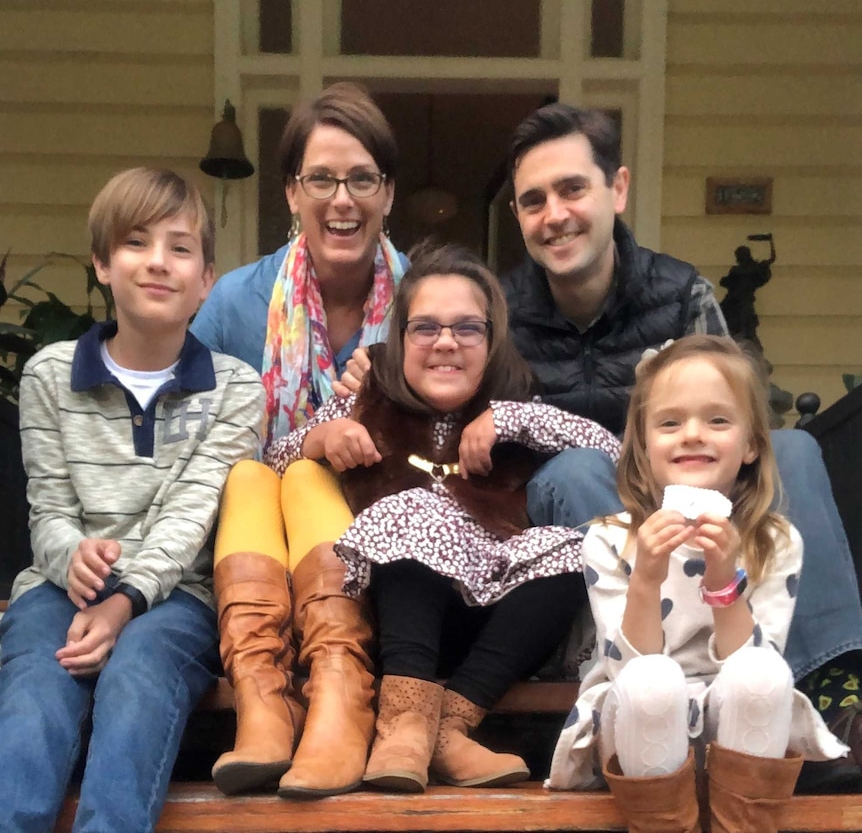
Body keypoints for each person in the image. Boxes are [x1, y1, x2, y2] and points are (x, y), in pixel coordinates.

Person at [502, 102, 862, 786]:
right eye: (533, 200)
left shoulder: (680, 293)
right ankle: (638, 676)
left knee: (796, 449)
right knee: (580, 466)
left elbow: (734, 409)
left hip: (694, 489)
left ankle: (833, 690)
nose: (555, 214)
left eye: (573, 188)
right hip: (580, 504)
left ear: (618, 189)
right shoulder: (500, 310)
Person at [264, 242, 621, 793]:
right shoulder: (366, 398)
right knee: (414, 509)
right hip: (394, 617)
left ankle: (449, 729)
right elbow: (272, 459)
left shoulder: (514, 402)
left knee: (579, 547)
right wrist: (322, 436)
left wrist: (511, 421)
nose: (446, 343)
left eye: (467, 328)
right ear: (400, 338)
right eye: (425, 327)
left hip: (492, 632)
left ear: (492, 340)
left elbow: (609, 452)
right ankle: (401, 728)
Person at [0, 168, 265, 833]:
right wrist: (74, 559)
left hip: (177, 596)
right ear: (101, 263)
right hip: (59, 588)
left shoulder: (236, 389)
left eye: (180, 248)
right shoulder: (49, 376)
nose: (157, 263)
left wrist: (123, 602)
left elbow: (193, 516)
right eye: (135, 243)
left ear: (207, 280)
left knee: (139, 678)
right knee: (35, 688)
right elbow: (49, 509)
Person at [189, 82, 409, 798]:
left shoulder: (429, 306)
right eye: (321, 179)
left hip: (386, 543)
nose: (341, 200)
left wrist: (379, 407)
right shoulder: (236, 304)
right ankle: (266, 702)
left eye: (361, 179)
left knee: (303, 476)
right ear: (291, 192)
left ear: (388, 194)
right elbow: (196, 447)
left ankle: (338, 693)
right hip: (255, 561)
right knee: (254, 477)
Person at [548, 336, 847, 833]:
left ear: (751, 444)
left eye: (718, 420)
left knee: (764, 672)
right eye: (669, 422)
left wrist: (723, 578)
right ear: (643, 446)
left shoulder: (774, 541)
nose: (692, 434)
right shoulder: (610, 538)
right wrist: (646, 576)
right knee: (653, 679)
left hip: (737, 720)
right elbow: (626, 668)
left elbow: (758, 661)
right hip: (637, 721)